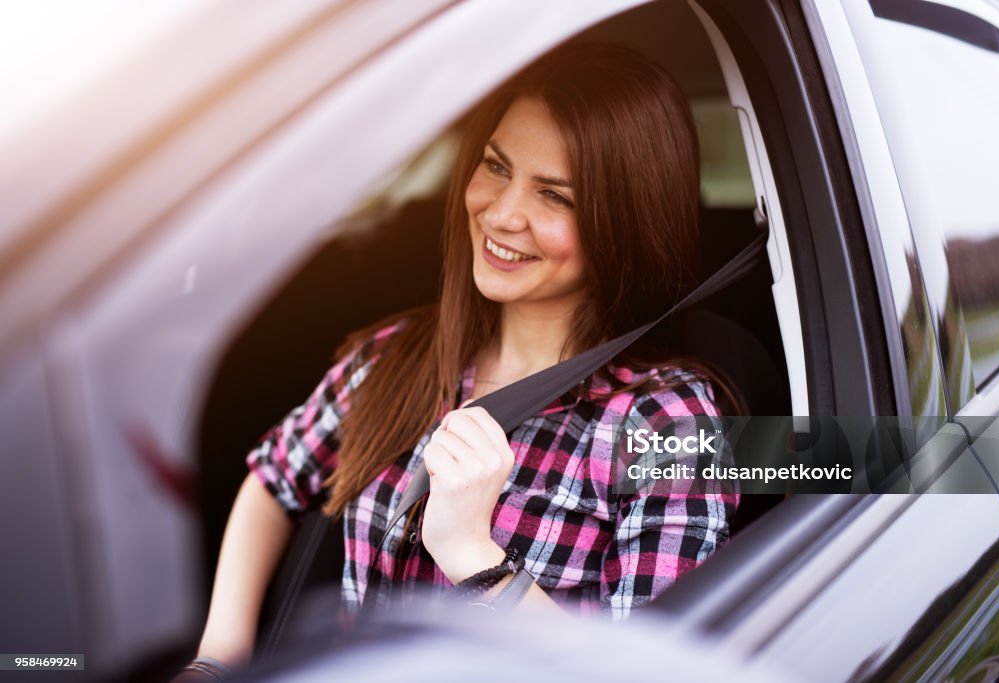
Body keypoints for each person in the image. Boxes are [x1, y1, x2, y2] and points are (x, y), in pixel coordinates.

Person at [179, 42, 740, 680]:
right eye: (496, 167)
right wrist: (216, 658)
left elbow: (650, 671)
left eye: (555, 197)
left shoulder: (665, 422)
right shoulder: (399, 356)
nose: (502, 214)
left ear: (623, 222)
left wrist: (475, 554)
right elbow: (273, 481)